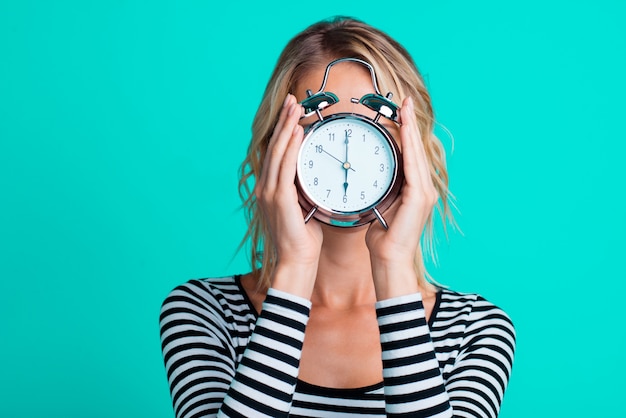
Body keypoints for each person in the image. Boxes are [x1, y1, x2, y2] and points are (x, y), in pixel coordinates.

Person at [160, 16, 515, 418]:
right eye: (318, 126)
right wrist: (294, 266)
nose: (349, 152)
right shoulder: (206, 313)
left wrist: (392, 263)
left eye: (375, 126)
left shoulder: (474, 331)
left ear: (412, 148)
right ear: (277, 147)